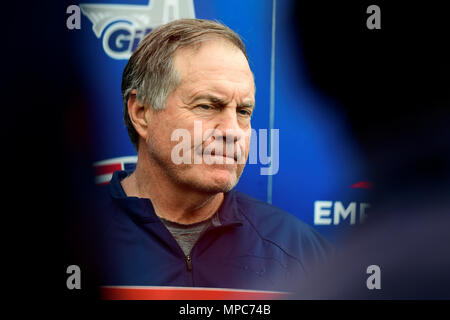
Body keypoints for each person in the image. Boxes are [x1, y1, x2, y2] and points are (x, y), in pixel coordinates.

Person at [92, 18, 331, 295]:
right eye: (207, 106)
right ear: (141, 113)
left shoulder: (300, 251)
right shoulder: (79, 237)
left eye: (243, 112)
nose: (232, 132)